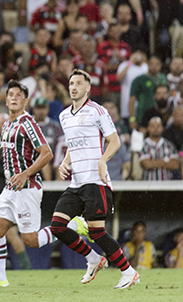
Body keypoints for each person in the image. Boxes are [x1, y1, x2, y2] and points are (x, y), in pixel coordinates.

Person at [54, 69, 140, 289]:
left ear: (87, 87)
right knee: (57, 226)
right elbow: (73, 145)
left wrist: (103, 160)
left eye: (78, 83)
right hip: (76, 183)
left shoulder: (97, 111)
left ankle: (129, 272)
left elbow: (115, 141)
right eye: (71, 83)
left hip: (96, 181)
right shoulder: (64, 115)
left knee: (97, 231)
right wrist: (65, 162)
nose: (73, 87)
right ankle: (93, 258)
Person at [0, 80, 55, 288]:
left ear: (25, 101)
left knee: (31, 241)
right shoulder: (8, 124)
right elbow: (5, 150)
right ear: (6, 100)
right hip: (10, 188)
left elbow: (47, 153)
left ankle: (69, 226)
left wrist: (25, 173)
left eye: (18, 95)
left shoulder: (28, 123)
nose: (14, 98)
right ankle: (0, 277)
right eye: (11, 95)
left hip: (26, 187)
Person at [128, 56, 167, 129]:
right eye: (152, 64)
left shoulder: (164, 78)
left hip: (161, 115)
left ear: (160, 66)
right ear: (147, 64)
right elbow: (132, 100)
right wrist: (132, 119)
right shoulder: (139, 80)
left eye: (157, 64)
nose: (154, 67)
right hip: (142, 115)